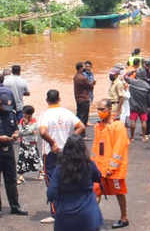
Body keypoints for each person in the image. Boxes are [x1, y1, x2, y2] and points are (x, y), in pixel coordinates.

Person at [39, 89, 85, 224]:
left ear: (47, 100)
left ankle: (55, 213)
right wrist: (70, 140)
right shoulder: (67, 113)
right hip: (67, 152)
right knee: (68, 180)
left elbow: (42, 132)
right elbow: (81, 127)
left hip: (51, 153)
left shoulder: (45, 114)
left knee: (52, 182)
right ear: (59, 99)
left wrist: (52, 143)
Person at [47, 135, 103, 231]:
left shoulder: (60, 168)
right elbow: (98, 177)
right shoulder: (89, 164)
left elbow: (51, 193)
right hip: (88, 215)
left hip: (65, 217)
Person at [92, 99, 130, 229]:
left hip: (113, 169)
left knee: (119, 193)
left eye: (102, 109)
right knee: (95, 192)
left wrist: (112, 167)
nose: (99, 112)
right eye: (98, 109)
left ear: (109, 110)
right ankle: (93, 219)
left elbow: (119, 149)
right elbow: (96, 147)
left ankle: (124, 218)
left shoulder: (117, 126)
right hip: (99, 167)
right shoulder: (98, 126)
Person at [0, 73, 28, 215]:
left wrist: (16, 134)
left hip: (8, 151)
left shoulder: (9, 113)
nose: (5, 108)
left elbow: (15, 127)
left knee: (11, 179)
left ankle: (15, 206)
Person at [16, 105, 43, 185]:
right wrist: (24, 129)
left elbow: (30, 131)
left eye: (25, 113)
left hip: (32, 144)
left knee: (35, 158)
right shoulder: (22, 120)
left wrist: (25, 126)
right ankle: (20, 176)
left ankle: (41, 172)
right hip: (23, 143)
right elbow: (20, 131)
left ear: (30, 114)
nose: (23, 115)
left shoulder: (34, 122)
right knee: (21, 159)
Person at [126, 68, 150, 142]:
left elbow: (125, 77)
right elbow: (149, 98)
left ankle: (132, 137)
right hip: (143, 106)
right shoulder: (147, 86)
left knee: (133, 120)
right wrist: (149, 106)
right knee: (144, 121)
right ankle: (143, 137)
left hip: (134, 105)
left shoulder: (132, 81)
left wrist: (131, 71)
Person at [74, 62, 93, 138]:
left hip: (78, 99)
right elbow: (90, 86)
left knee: (79, 115)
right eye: (83, 67)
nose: (84, 68)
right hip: (84, 99)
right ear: (80, 68)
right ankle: (82, 135)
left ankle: (77, 131)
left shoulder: (76, 76)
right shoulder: (83, 78)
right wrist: (93, 83)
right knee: (83, 117)